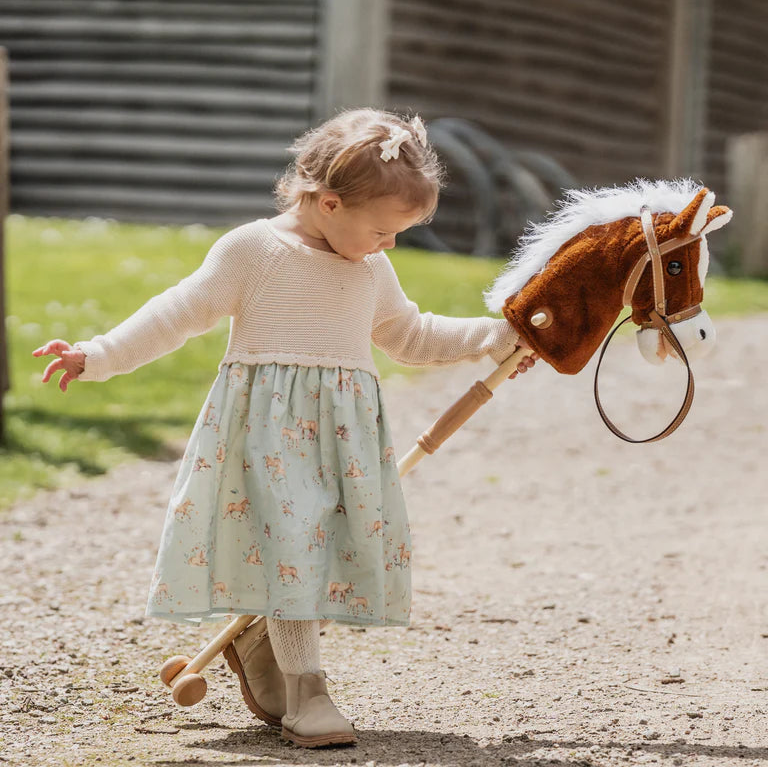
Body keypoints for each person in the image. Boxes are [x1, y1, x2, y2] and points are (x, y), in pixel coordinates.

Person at [33, 108, 536, 748]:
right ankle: (307, 690)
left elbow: (410, 335)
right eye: (383, 230)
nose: (389, 245)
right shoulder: (253, 252)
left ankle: (263, 640)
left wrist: (494, 337)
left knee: (323, 551)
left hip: (342, 443)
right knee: (294, 544)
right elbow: (177, 312)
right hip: (268, 440)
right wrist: (98, 354)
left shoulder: (369, 267)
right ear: (328, 203)